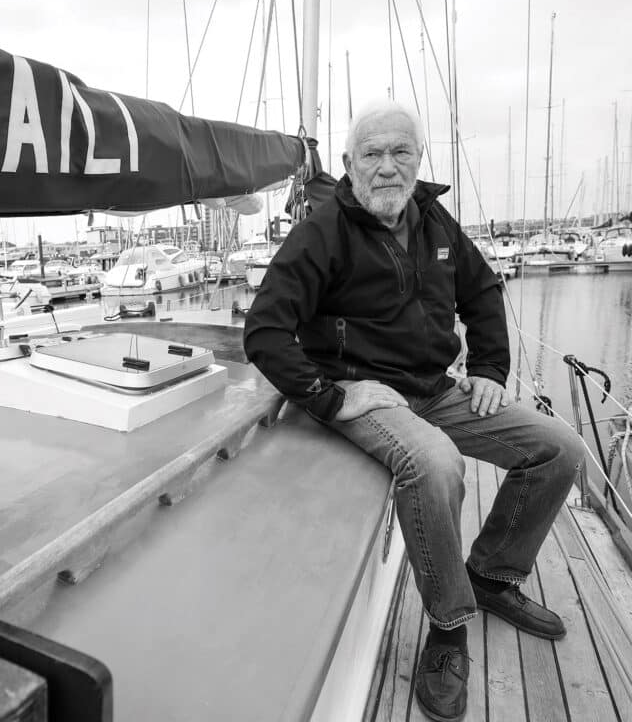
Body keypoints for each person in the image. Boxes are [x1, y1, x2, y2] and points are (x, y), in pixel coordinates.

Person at [243, 100, 582, 722]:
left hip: (438, 386)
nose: (388, 167)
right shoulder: (323, 230)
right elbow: (264, 330)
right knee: (435, 463)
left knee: (560, 449)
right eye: (372, 153)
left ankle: (492, 575)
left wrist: (487, 371)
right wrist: (329, 396)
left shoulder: (434, 221)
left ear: (418, 160)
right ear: (348, 164)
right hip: (367, 394)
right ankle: (450, 624)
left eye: (402, 152)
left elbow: (481, 293)